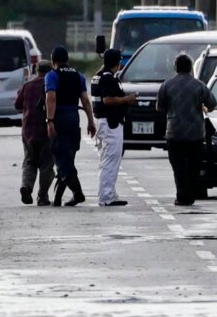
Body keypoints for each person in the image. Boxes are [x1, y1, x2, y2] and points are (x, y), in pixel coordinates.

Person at [160, 52, 217, 206]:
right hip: (195, 134)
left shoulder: (166, 85)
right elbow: (212, 103)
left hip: (174, 133)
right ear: (191, 67)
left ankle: (181, 196)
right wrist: (204, 108)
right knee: (194, 167)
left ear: (175, 67)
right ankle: (190, 195)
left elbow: (160, 107)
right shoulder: (199, 85)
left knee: (178, 168)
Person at [43, 45, 95, 207]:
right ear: (67, 60)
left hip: (60, 118)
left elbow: (51, 98)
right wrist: (91, 121)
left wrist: (49, 121)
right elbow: (85, 100)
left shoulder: (52, 76)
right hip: (74, 118)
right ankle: (58, 199)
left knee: (61, 159)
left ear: (53, 61)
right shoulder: (78, 76)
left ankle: (78, 193)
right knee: (68, 158)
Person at [90, 46, 135, 207]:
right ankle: (107, 197)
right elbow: (108, 100)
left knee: (108, 160)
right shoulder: (108, 77)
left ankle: (109, 194)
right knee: (110, 160)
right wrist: (127, 99)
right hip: (110, 123)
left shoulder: (97, 75)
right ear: (116, 62)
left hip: (104, 122)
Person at [15, 60, 57, 205]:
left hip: (28, 132)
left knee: (29, 162)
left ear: (36, 70)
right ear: (50, 71)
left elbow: (17, 105)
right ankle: (43, 196)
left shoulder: (27, 86)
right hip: (46, 130)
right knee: (46, 165)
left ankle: (26, 186)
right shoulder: (51, 85)